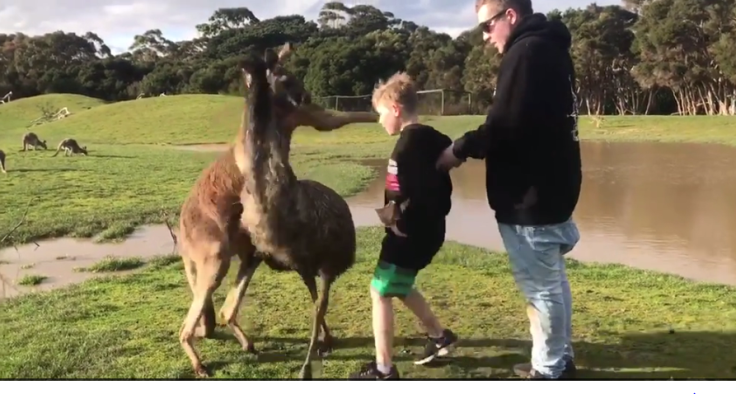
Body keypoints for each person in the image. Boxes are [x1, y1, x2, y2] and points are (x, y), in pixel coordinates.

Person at [436, 0, 583, 380]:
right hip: (552, 185)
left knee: (541, 287)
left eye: (487, 26)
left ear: (510, 16)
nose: (485, 38)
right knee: (552, 280)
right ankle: (559, 358)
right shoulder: (550, 47)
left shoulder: (526, 52)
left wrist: (459, 149)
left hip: (530, 193)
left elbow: (504, 126)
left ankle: (550, 370)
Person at [349, 72, 458, 380]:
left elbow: (410, 196)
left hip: (409, 235)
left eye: (381, 114)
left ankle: (383, 370)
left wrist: (400, 226)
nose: (380, 121)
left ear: (395, 109)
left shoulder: (405, 148)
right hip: (432, 231)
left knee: (379, 291)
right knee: (401, 284)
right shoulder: (431, 140)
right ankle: (440, 337)